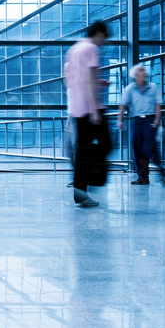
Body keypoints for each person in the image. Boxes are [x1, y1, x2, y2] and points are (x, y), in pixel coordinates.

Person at [64, 21, 112, 208]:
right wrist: (94, 111)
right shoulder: (91, 49)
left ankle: (81, 193)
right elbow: (87, 81)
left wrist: (99, 82)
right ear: (99, 33)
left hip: (77, 109)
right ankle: (94, 175)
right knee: (107, 145)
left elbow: (77, 80)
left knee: (83, 151)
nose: (103, 43)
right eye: (104, 38)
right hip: (92, 108)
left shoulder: (74, 49)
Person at [117, 64, 164, 185]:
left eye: (144, 70)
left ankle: (160, 168)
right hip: (136, 121)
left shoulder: (153, 87)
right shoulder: (130, 89)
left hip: (150, 120)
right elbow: (123, 105)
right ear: (136, 76)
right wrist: (120, 120)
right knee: (137, 149)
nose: (145, 72)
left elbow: (158, 104)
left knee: (149, 148)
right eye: (141, 71)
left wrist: (157, 119)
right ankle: (143, 178)